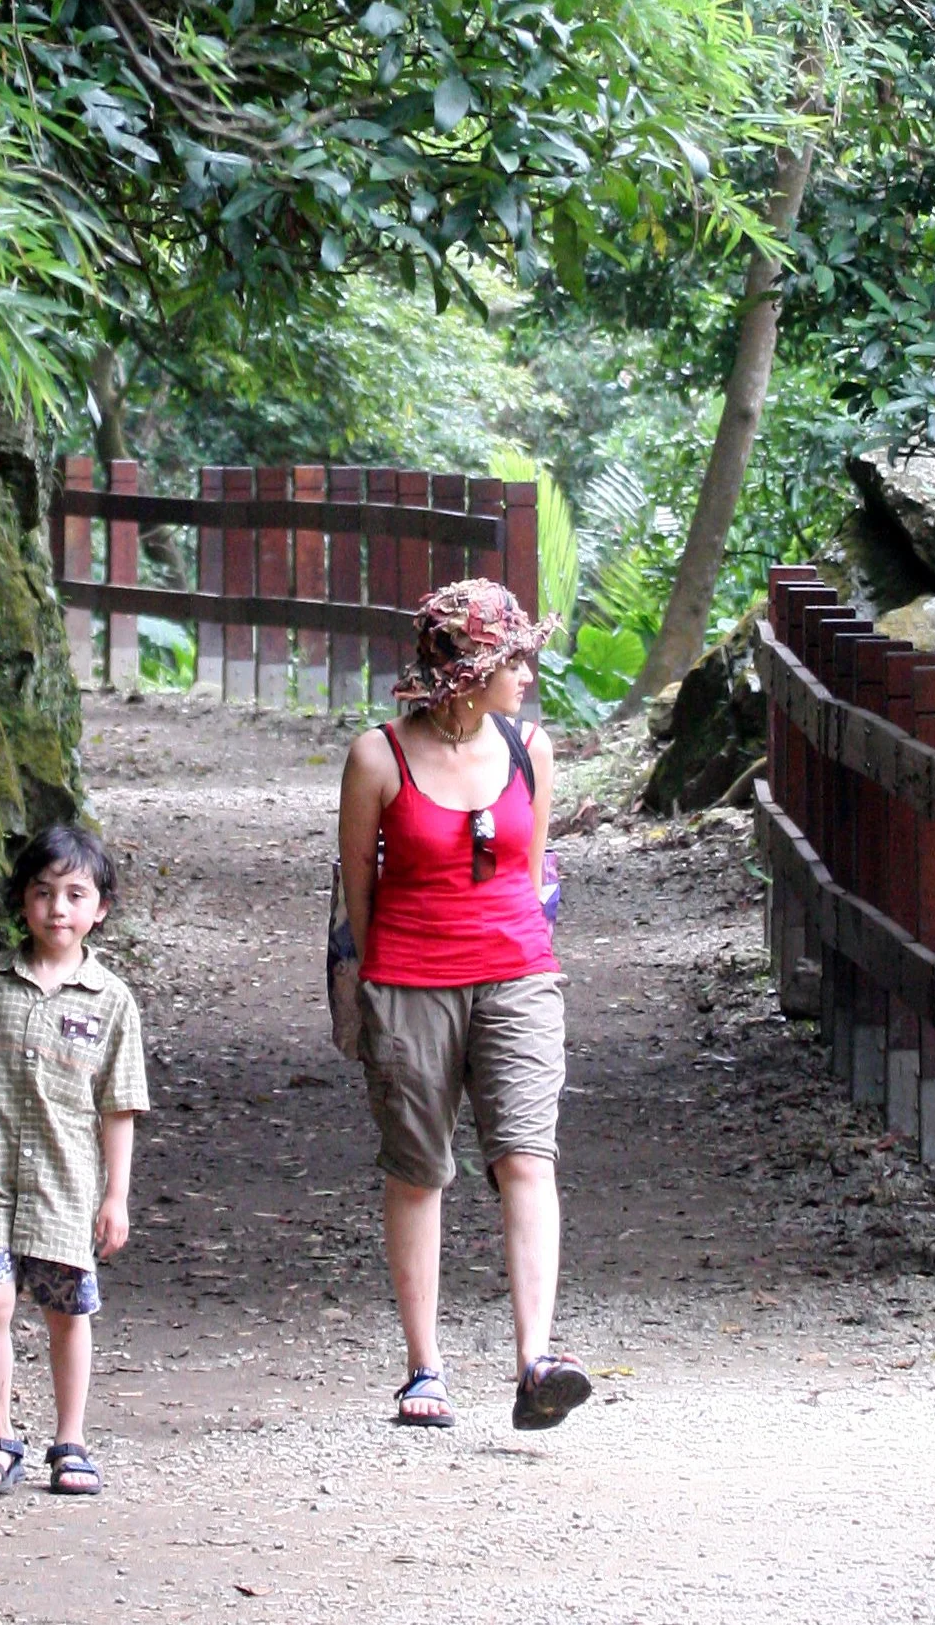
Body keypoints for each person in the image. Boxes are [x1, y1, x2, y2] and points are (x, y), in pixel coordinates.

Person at [338, 576, 590, 1434]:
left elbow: (532, 871)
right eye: (512, 660)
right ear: (466, 672)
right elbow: (358, 890)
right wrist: (373, 987)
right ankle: (423, 1369)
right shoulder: (378, 757)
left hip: (519, 972)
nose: (526, 676)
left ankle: (536, 1361)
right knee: (420, 1168)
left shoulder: (530, 749)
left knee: (527, 1154)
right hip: (409, 980)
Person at [0, 821, 149, 1499]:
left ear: (100, 908)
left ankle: (70, 1441)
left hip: (67, 1187)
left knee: (67, 1312)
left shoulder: (112, 1002)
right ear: (21, 901)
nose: (57, 909)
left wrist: (115, 1196)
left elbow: (119, 1105)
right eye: (42, 893)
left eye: (75, 895)